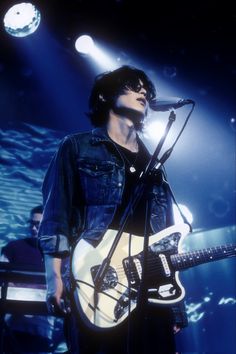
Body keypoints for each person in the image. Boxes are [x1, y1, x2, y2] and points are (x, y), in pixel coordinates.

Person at [38, 65, 188, 354]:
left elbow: (168, 240)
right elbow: (57, 216)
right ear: (106, 96)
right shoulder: (77, 147)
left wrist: (176, 306)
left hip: (151, 288)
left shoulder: (155, 163)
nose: (143, 91)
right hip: (95, 282)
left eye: (146, 87)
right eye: (133, 85)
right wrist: (53, 278)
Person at [0, 205, 67, 353]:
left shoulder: (59, 254)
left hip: (43, 328)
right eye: (32, 224)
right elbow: (2, 277)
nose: (34, 228)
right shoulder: (13, 248)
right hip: (12, 322)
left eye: (39, 225)